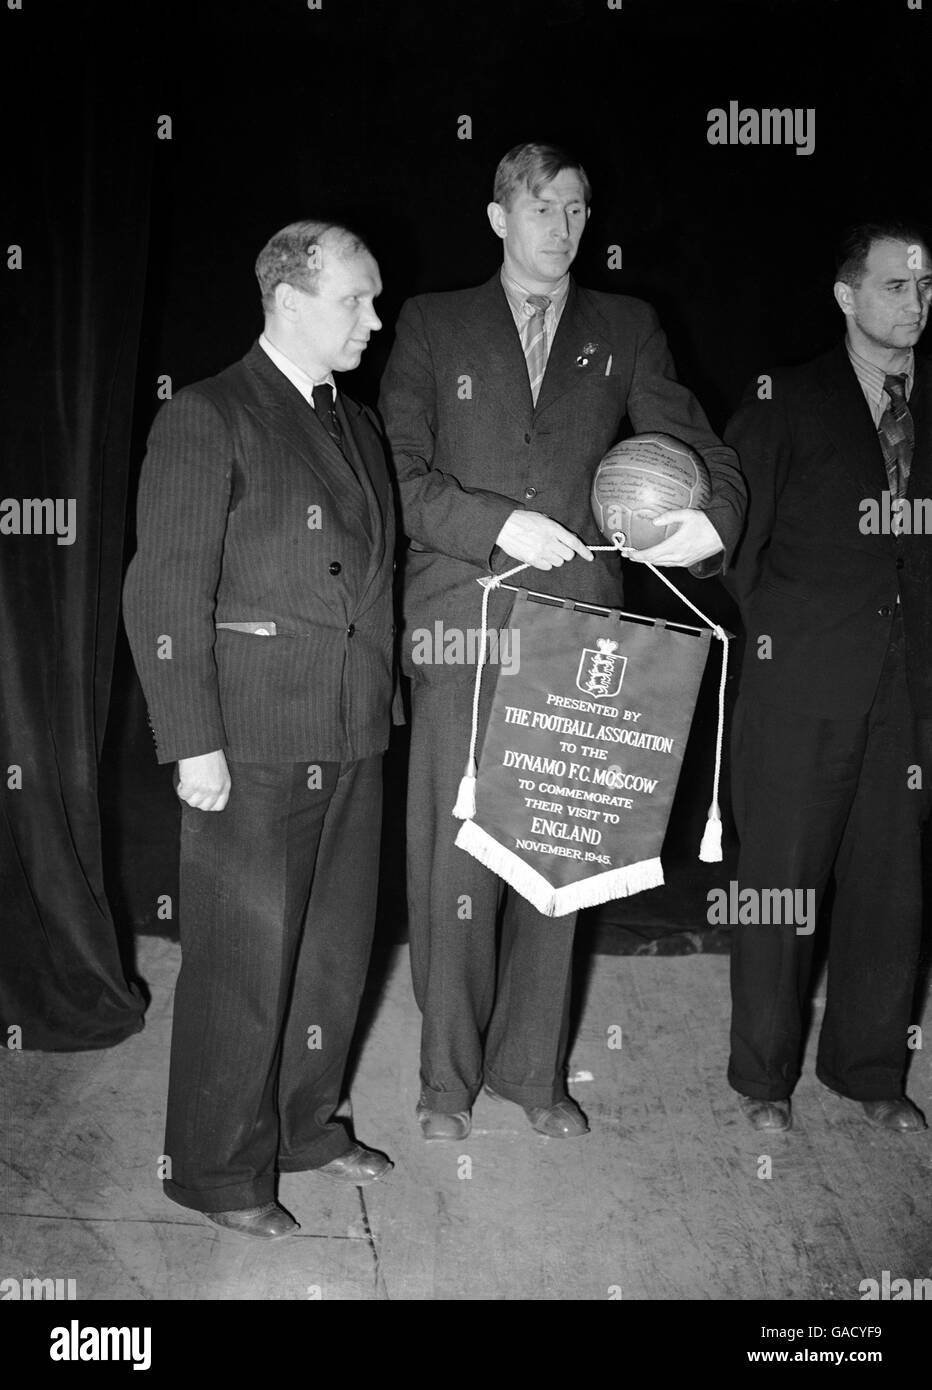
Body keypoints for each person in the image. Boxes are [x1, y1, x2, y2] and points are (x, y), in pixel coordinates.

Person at [379, 141, 746, 1141]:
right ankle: (444, 1082)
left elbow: (698, 449)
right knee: (454, 864)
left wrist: (703, 522)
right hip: (462, 618)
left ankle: (529, 1073)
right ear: (497, 217)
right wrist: (498, 523)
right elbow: (399, 478)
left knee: (562, 845)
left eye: (578, 210)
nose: (562, 228)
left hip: (580, 625)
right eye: (541, 209)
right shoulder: (428, 322)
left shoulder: (627, 326)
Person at [123, 221, 399, 1238]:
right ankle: (214, 1169)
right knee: (242, 964)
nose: (375, 317)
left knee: (332, 953)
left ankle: (304, 1125)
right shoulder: (208, 415)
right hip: (251, 737)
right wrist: (191, 738)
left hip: (353, 724)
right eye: (356, 299)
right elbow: (162, 592)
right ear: (287, 296)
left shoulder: (355, 424)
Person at [725, 221, 932, 1133]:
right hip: (799, 691)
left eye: (926, 285)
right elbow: (734, 545)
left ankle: (872, 1071)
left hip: (910, 696)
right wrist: (791, 636)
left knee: (894, 888)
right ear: (848, 297)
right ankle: (765, 1083)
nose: (916, 303)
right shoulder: (785, 402)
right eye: (895, 286)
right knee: (779, 889)